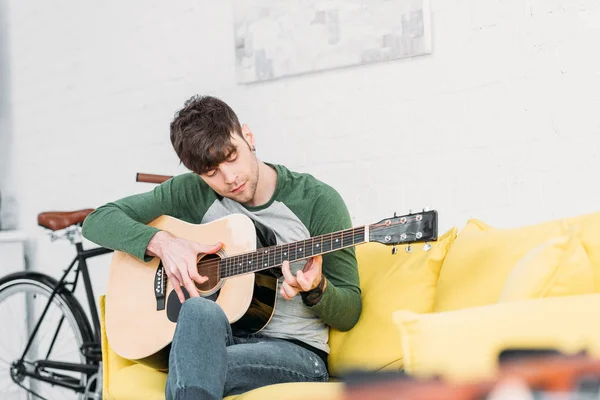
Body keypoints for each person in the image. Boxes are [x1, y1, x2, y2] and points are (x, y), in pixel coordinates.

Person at [82, 95, 362, 400]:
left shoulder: (316, 201)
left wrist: (317, 288)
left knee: (193, 367)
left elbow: (350, 312)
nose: (230, 178)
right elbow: (98, 221)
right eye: (211, 172)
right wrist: (163, 244)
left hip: (294, 352)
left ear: (248, 137)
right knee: (198, 309)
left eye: (231, 156)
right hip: (220, 340)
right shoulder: (192, 192)